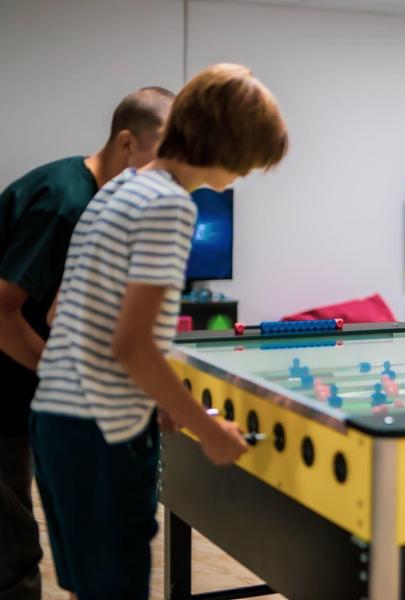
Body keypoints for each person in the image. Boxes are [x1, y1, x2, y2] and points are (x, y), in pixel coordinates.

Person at [29, 63, 289, 600]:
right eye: (251, 159)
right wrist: (209, 430)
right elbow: (133, 345)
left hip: (58, 420)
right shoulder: (170, 205)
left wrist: (156, 398)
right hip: (102, 432)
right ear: (232, 144)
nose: (247, 173)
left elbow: (63, 315)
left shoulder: (121, 187)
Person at [0, 86, 174, 600]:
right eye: (164, 157)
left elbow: (63, 313)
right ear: (127, 142)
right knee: (12, 556)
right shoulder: (63, 202)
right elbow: (2, 313)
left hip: (21, 393)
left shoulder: (95, 203)